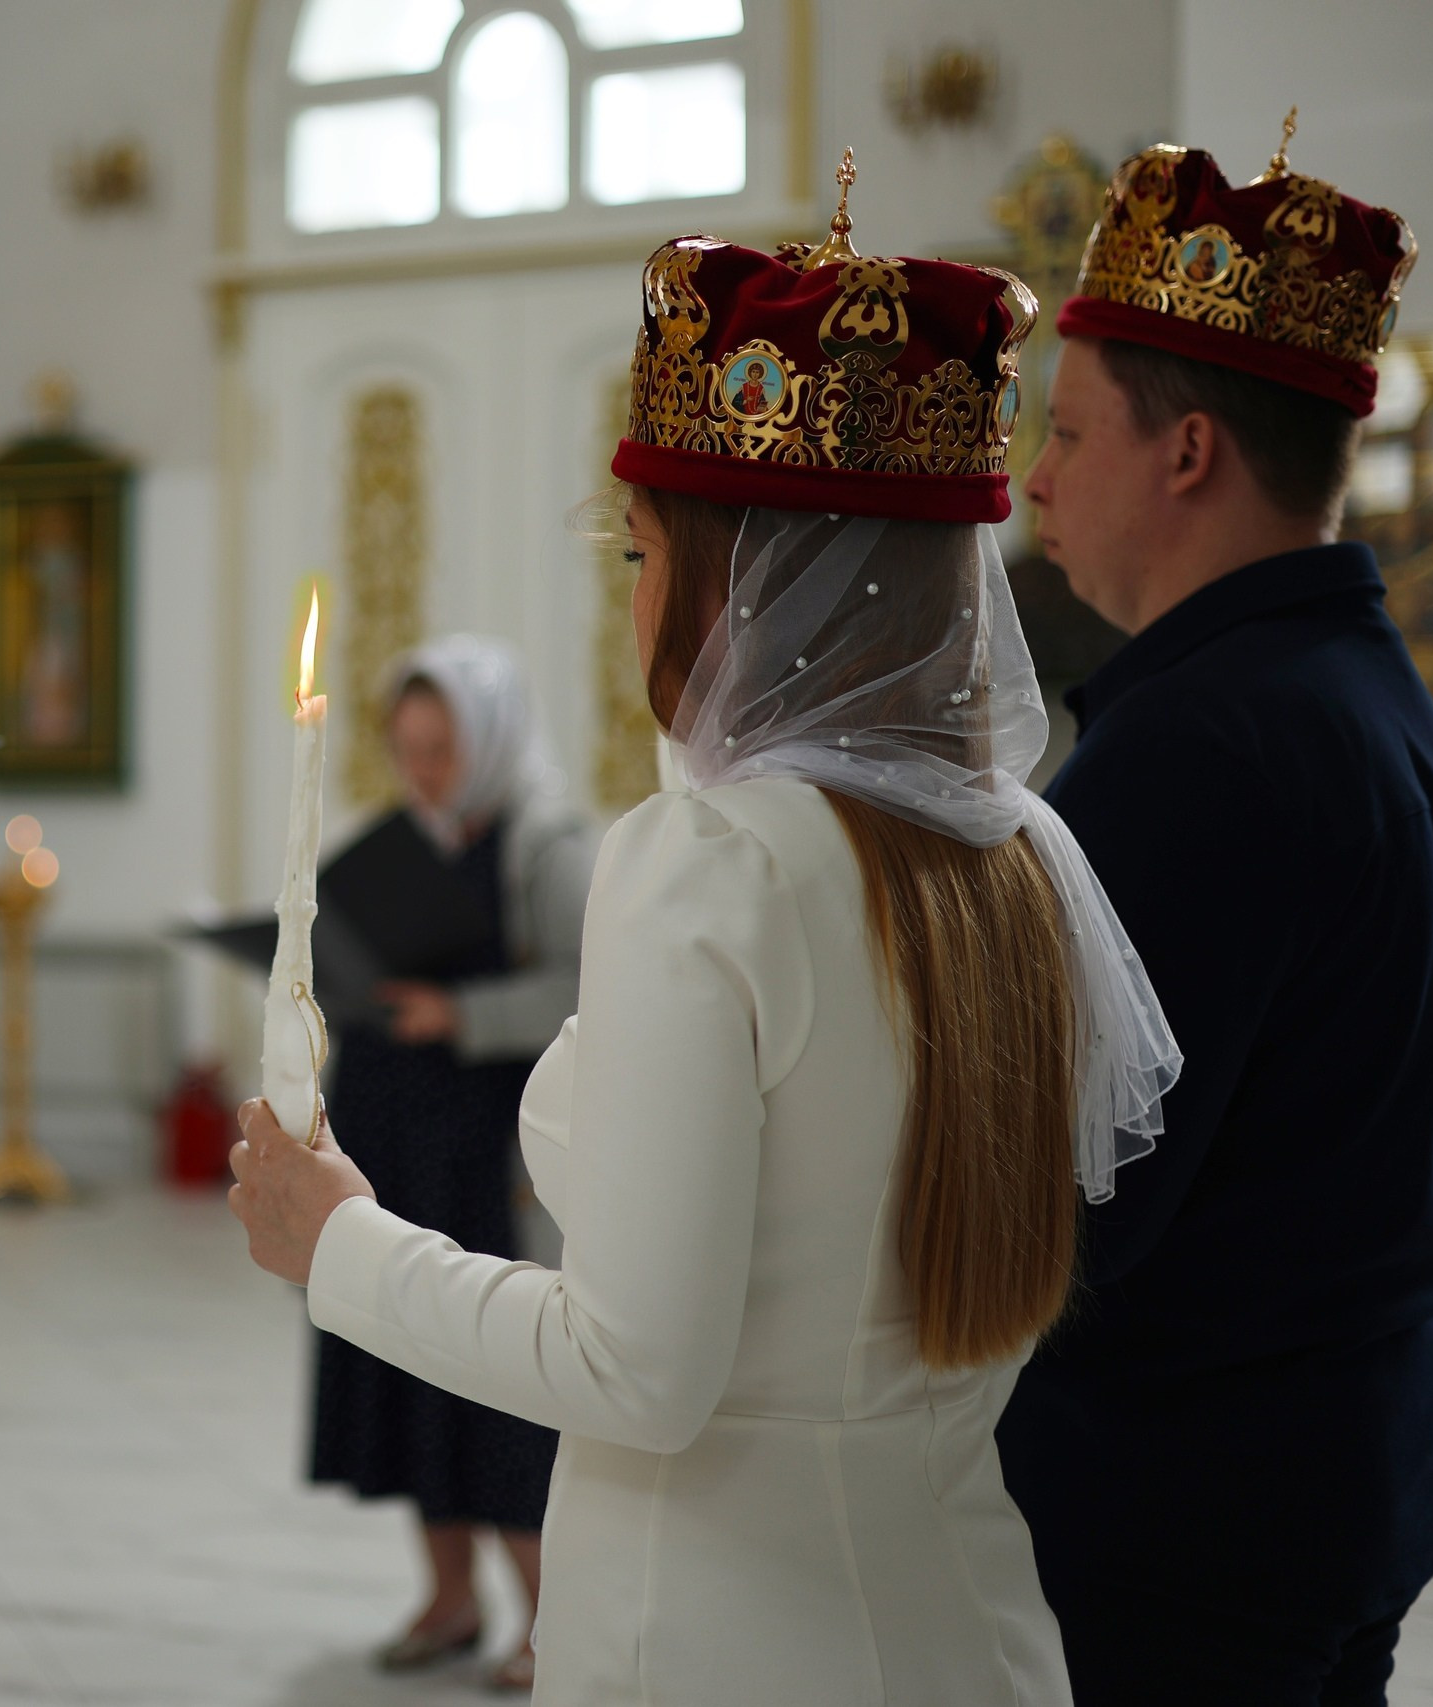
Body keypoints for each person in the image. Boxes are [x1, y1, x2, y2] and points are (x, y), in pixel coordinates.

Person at [229, 176, 1181, 1705]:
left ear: (750, 585)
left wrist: (339, 1238)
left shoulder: (710, 862)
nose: (636, 606)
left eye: (642, 556)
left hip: (723, 1634)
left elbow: (639, 1373)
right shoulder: (1014, 852)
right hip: (964, 1620)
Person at [998, 132, 1433, 1706]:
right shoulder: (1365, 694)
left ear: (1192, 452)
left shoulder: (1204, 747)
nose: (1036, 479)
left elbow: (1064, 1205)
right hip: (1347, 1461)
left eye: (1070, 434)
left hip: (1182, 1508)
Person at [309, 635, 593, 1691]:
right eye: (408, 747)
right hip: (393, 1140)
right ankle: (446, 1597)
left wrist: (459, 1012)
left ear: (491, 738)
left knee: (497, 1385)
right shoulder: (396, 841)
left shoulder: (549, 844)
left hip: (487, 1155)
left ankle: (544, 1617)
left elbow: (590, 985)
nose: (423, 770)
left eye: (443, 747)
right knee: (408, 1370)